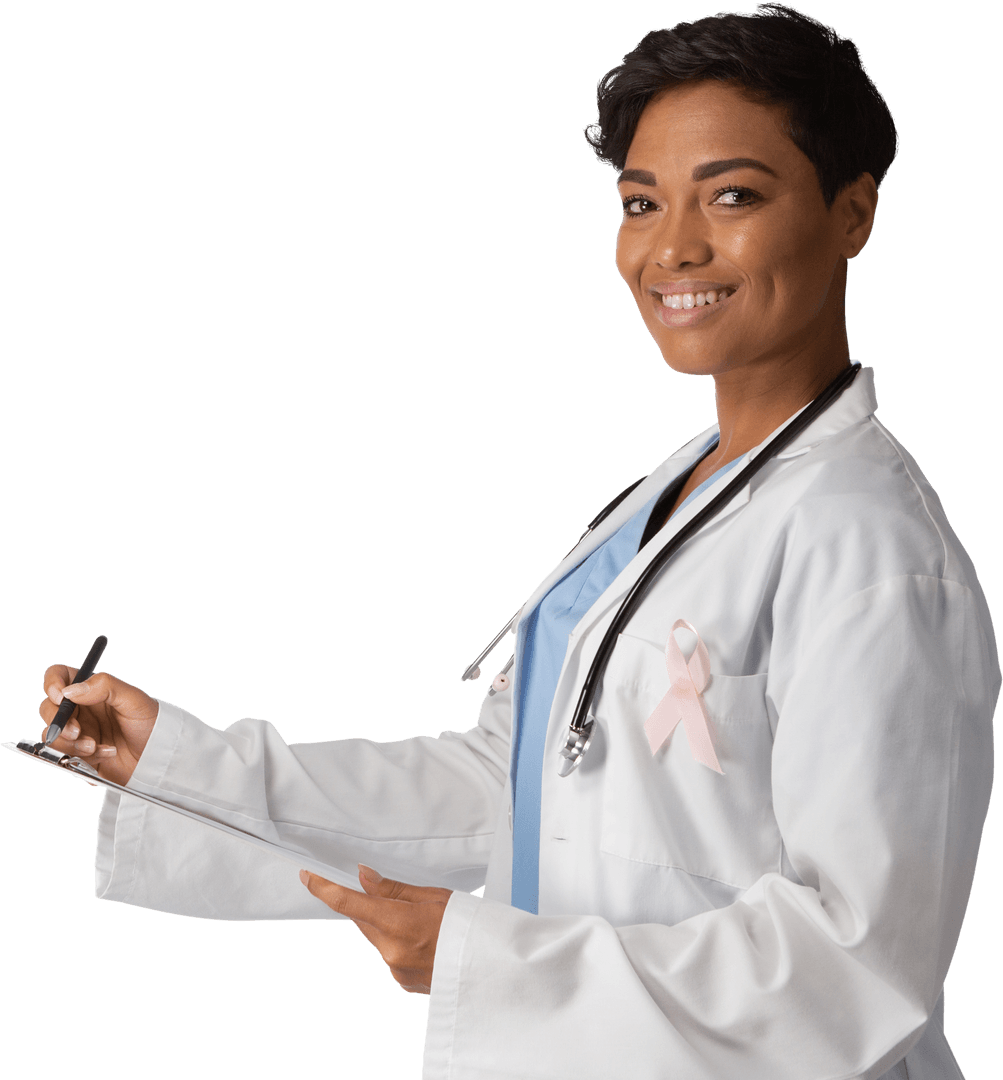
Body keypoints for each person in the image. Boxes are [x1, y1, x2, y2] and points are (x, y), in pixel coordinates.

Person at [38, 5, 997, 1078]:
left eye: (732, 195)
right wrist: (185, 763)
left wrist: (495, 962)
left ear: (852, 212)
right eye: (641, 203)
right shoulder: (666, 503)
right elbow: (515, 787)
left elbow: (859, 961)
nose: (673, 247)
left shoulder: (872, 551)